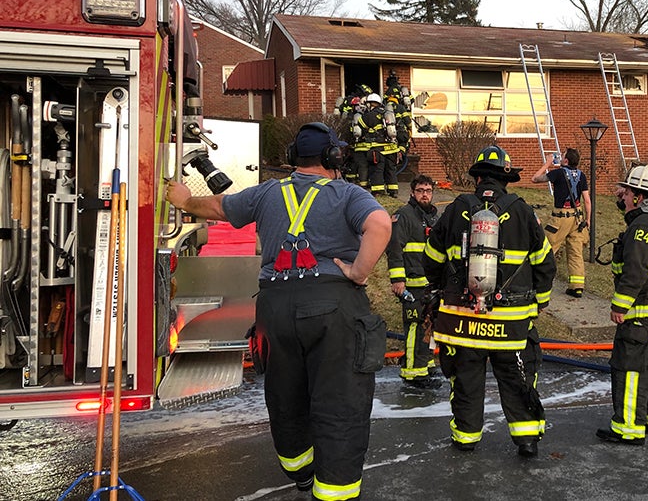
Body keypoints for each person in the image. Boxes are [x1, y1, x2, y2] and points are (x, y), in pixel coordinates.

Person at [165, 122, 391, 500]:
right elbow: (381, 224)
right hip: (332, 305)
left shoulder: (267, 192)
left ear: (292, 159)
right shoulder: (349, 194)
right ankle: (334, 491)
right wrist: (357, 272)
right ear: (333, 157)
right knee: (339, 401)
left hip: (275, 308)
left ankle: (300, 471)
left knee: (285, 395)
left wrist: (186, 201)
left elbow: (220, 206)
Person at [423, 145, 556, 458]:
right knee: (516, 379)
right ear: (505, 179)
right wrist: (539, 303)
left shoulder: (457, 208)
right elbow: (545, 263)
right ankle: (526, 440)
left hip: (462, 322)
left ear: (477, 177)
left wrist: (438, 286)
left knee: (466, 380)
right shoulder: (523, 211)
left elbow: (431, 257)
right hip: (510, 325)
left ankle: (466, 438)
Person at [596, 164, 648, 446]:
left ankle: (628, 428)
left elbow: (635, 272)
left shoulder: (643, 227)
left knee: (631, 370)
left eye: (627, 191)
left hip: (642, 317)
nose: (622, 196)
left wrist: (619, 306)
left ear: (640, 198)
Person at [386, 174, 441, 388]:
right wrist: (398, 280)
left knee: (428, 328)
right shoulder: (404, 216)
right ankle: (412, 373)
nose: (425, 195)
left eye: (428, 191)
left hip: (430, 285)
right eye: (420, 191)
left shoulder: (432, 217)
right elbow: (394, 249)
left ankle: (424, 366)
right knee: (414, 328)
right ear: (412, 192)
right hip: (411, 284)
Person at [531, 148, 591, 297]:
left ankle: (538, 283)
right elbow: (587, 200)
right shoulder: (582, 175)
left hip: (561, 218)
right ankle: (577, 287)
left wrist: (548, 163)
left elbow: (535, 178)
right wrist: (588, 220)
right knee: (576, 252)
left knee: (547, 250)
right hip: (578, 218)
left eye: (562, 156)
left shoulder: (558, 173)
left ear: (565, 161)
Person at [358, 93, 397, 197]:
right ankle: (393, 191)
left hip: (378, 147)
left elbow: (360, 126)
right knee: (390, 170)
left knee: (377, 170)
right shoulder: (386, 113)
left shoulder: (370, 115)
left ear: (371, 104)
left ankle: (378, 192)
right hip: (391, 148)